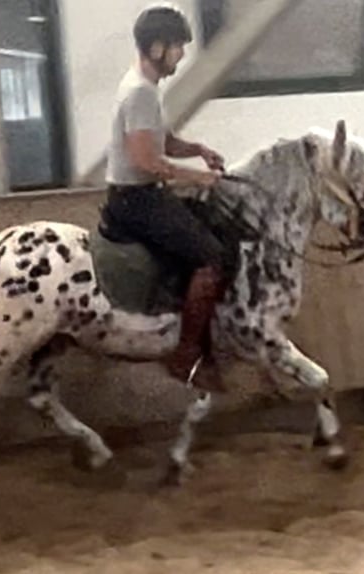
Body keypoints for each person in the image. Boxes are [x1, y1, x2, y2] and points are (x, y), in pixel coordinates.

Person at [100, 3, 229, 392]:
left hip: (143, 195)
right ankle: (186, 353)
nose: (182, 54)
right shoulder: (139, 92)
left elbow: (164, 141)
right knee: (211, 258)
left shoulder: (145, 88)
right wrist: (198, 178)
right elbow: (144, 159)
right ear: (157, 48)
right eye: (178, 47)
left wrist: (200, 149)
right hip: (136, 201)